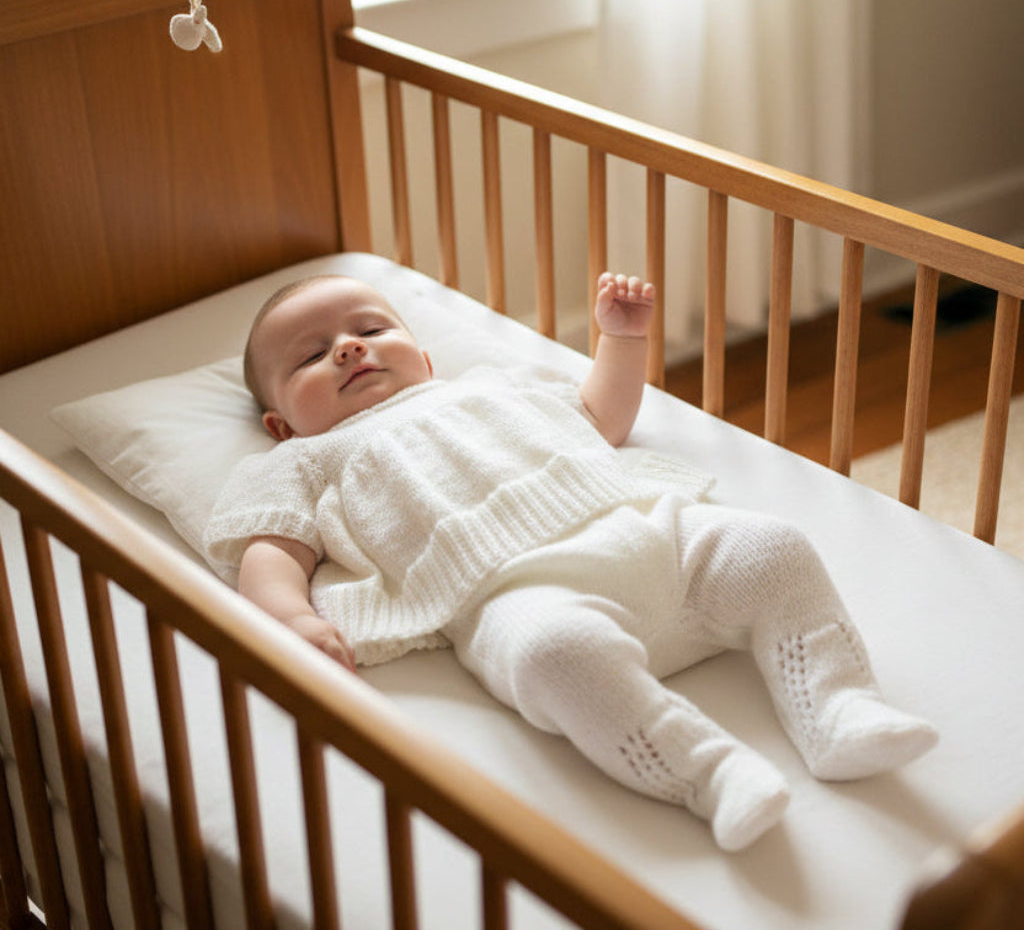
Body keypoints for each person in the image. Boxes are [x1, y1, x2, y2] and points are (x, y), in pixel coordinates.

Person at [206, 272, 937, 851]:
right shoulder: (307, 458)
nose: (348, 349)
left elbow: (601, 419)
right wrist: (293, 620)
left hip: (651, 530)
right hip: (517, 592)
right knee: (555, 655)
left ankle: (836, 708)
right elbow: (271, 551)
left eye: (370, 330)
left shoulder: (489, 385)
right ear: (279, 424)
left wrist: (621, 343)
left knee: (771, 548)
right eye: (311, 355)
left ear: (426, 360)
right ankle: (711, 773)